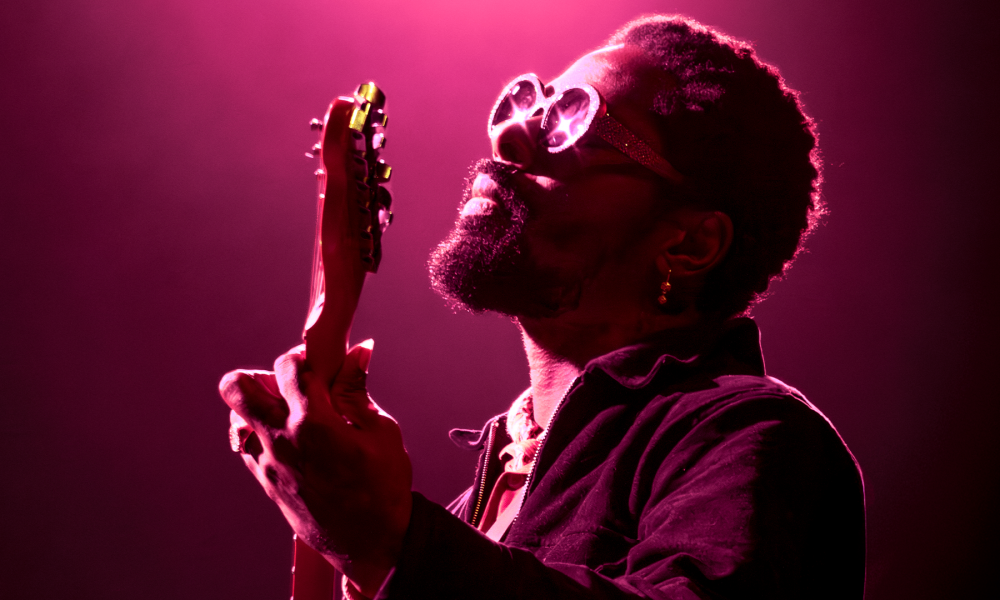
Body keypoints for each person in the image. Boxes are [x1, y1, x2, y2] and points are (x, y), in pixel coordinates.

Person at [220, 14, 866, 600]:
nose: (508, 136)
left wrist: (390, 544)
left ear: (691, 243)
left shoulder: (756, 436)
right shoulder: (474, 508)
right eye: (529, 104)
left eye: (575, 120)